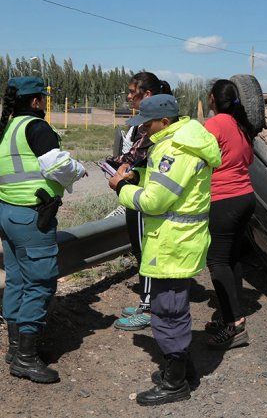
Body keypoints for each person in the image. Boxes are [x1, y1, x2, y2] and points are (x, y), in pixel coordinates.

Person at [108, 94, 221, 406]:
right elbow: (172, 183)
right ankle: (184, 371)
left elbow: (156, 201)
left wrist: (122, 188)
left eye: (147, 123)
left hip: (174, 242)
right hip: (179, 240)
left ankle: (175, 384)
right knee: (171, 308)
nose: (142, 129)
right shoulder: (182, 141)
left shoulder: (175, 148)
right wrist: (140, 175)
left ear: (165, 121)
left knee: (168, 312)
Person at [0, 77, 86, 383]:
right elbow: (56, 164)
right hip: (32, 218)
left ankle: (15, 348)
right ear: (37, 101)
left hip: (8, 215)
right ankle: (25, 358)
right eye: (44, 99)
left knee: (17, 281)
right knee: (40, 283)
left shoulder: (7, 128)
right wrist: (79, 170)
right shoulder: (36, 128)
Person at [111, 72, 171, 331]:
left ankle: (148, 307)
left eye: (132, 92)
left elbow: (146, 159)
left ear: (147, 95)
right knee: (141, 249)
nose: (128, 97)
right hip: (136, 191)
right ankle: (147, 302)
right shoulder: (143, 125)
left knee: (147, 251)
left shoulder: (157, 127)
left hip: (144, 195)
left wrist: (130, 170)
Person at [203, 80, 258, 350]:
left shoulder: (214, 125)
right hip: (245, 196)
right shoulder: (241, 126)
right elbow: (248, 160)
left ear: (212, 99)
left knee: (216, 261)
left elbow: (200, 158)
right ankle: (231, 317)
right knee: (231, 257)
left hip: (224, 199)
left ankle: (234, 325)